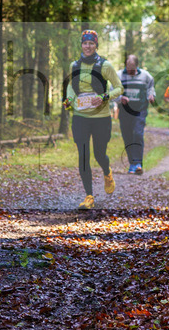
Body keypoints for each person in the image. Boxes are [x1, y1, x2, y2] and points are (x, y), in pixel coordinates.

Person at [65, 29, 123, 209]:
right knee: (83, 156)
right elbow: (71, 87)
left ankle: (107, 172)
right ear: (81, 45)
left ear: (96, 45)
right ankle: (89, 196)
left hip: (101, 117)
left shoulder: (105, 65)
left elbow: (119, 88)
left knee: (99, 154)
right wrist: (69, 100)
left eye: (91, 43)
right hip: (80, 117)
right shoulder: (74, 66)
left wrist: (105, 96)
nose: (88, 46)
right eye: (85, 43)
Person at [117, 54, 156, 174]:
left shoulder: (145, 75)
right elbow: (112, 92)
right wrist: (120, 97)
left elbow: (151, 87)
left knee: (137, 133)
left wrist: (151, 95)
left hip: (140, 110)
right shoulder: (119, 75)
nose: (131, 71)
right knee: (127, 135)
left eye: (133, 69)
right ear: (125, 66)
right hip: (124, 111)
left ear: (137, 66)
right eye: (128, 68)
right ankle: (132, 163)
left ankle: (138, 163)